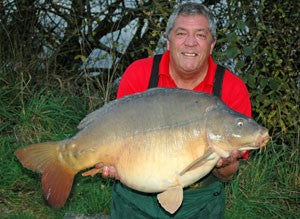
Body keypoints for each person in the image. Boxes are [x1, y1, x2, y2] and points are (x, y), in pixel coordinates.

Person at [98, 2, 252, 218]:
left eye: (200, 35)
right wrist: (112, 163)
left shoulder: (232, 88)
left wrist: (225, 163)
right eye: (181, 34)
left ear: (212, 43)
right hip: (135, 196)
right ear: (168, 40)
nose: (190, 43)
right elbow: (117, 132)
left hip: (201, 201)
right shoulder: (139, 74)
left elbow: (227, 175)